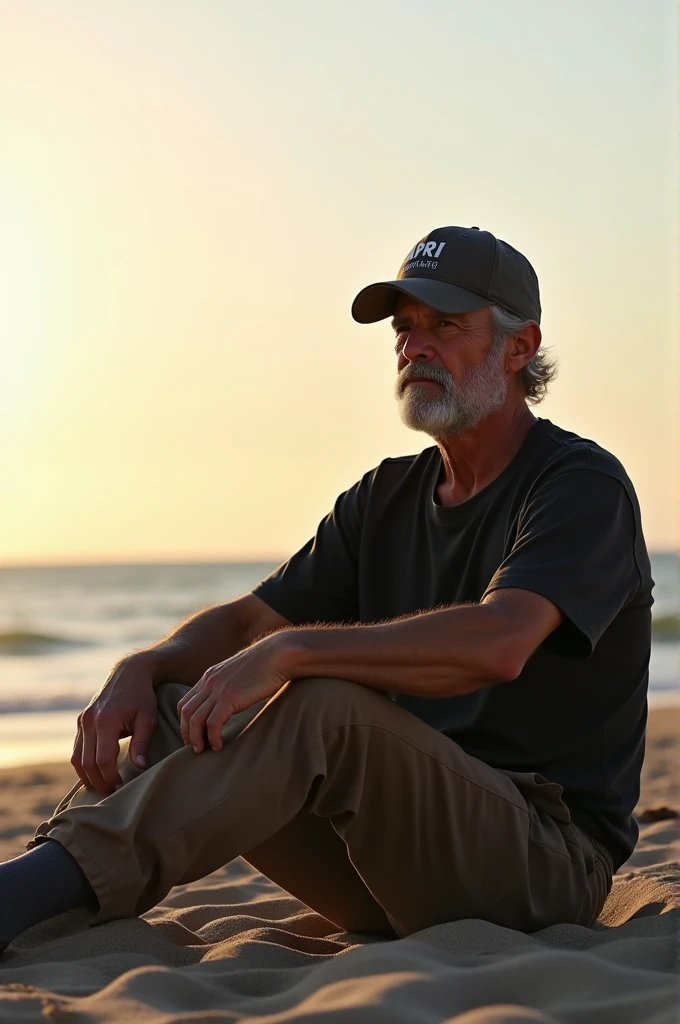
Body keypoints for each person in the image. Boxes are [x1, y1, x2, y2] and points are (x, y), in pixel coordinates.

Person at [0, 225, 653, 952]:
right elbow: (251, 620)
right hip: (388, 868)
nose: (415, 348)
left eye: (445, 326)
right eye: (404, 330)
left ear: (520, 347)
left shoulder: (578, 484)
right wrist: (145, 665)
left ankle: (16, 899)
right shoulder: (385, 496)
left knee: (325, 704)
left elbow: (500, 643)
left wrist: (292, 653)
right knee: (174, 705)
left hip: (542, 868)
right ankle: (37, 891)